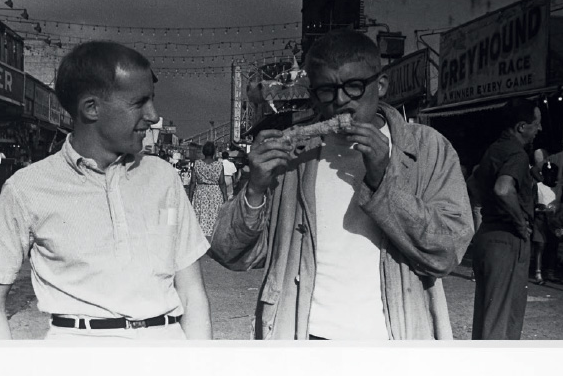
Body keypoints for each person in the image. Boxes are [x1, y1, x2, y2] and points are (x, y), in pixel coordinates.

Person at [210, 29, 473, 340]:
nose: (340, 102)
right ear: (313, 93)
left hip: (393, 339)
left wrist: (381, 181)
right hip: (305, 336)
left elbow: (448, 252)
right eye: (326, 90)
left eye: (354, 86)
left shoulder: (428, 149)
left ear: (382, 84)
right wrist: (254, 188)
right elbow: (231, 254)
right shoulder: (294, 157)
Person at [0, 41, 211, 341]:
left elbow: (191, 294)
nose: (153, 115)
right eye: (140, 102)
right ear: (91, 108)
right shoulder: (26, 189)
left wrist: (199, 373)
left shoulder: (164, 178)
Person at [469, 98, 544, 340]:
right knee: (503, 324)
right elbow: (503, 188)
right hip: (508, 240)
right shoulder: (518, 154)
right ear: (522, 126)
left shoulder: (494, 149)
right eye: (536, 124)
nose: (539, 129)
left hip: (488, 236)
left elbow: (473, 181)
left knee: (488, 318)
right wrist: (521, 223)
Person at [190, 142, 228, 238]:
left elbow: (193, 182)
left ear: (203, 152)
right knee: (213, 214)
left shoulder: (197, 163)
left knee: (201, 213)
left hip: (200, 191)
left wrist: (190, 197)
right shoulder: (219, 165)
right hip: (215, 192)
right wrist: (225, 197)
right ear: (214, 152)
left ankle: (200, 236)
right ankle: (212, 236)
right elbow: (222, 182)